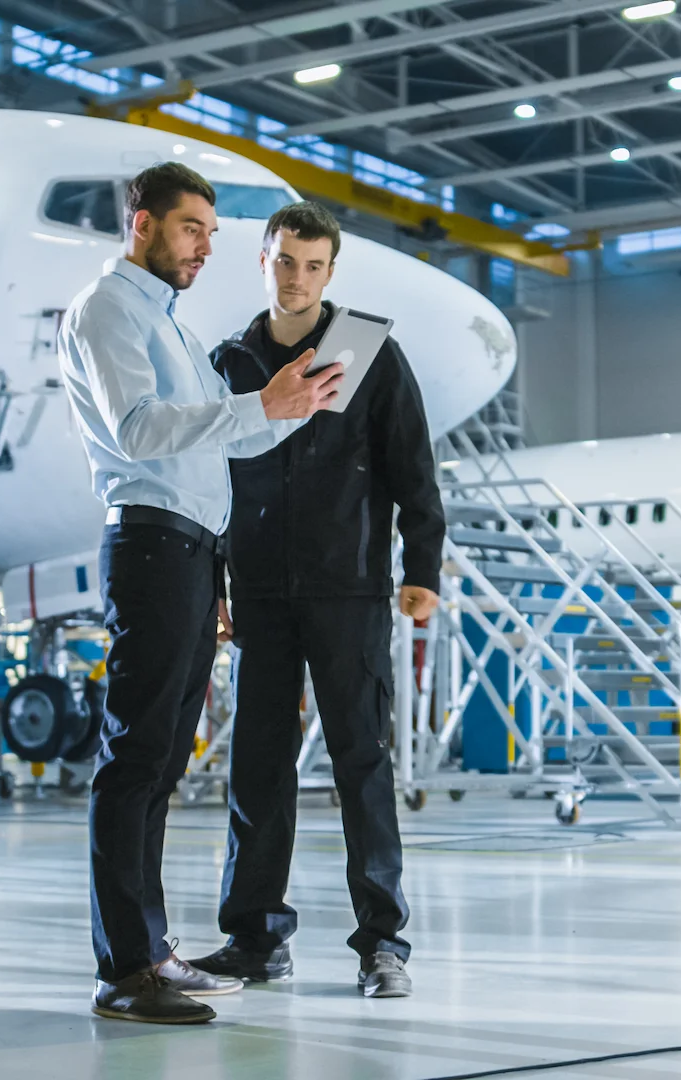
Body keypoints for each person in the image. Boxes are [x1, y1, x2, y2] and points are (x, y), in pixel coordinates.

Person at [58, 163, 343, 1025]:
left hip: (186, 553)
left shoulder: (171, 328)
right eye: (192, 230)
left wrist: (286, 409)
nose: (205, 248)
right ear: (140, 223)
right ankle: (124, 970)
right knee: (135, 758)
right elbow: (138, 431)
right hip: (147, 545)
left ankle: (149, 950)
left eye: (212, 235)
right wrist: (258, 403)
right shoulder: (108, 310)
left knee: (161, 764)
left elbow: (210, 453)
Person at [190, 201, 444, 999]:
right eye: (283, 261)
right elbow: (206, 480)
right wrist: (215, 583)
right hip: (261, 593)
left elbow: (414, 473)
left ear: (330, 272)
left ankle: (383, 944)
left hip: (350, 591)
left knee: (362, 763)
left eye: (312, 265)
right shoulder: (228, 361)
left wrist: (423, 569)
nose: (296, 278)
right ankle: (256, 938)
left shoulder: (367, 356)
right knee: (256, 769)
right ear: (262, 261)